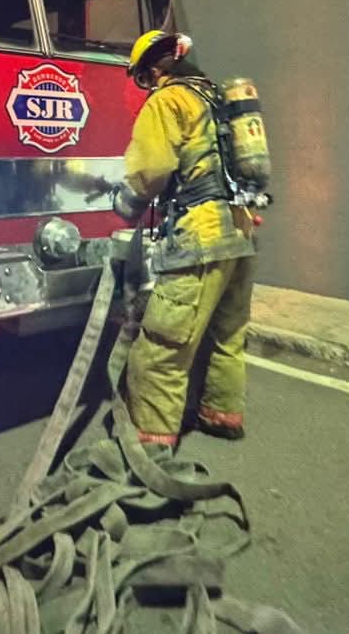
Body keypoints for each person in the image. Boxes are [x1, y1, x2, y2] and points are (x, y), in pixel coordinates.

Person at [111, 29, 256, 447]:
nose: (146, 85)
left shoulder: (168, 100)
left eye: (143, 77)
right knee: (226, 332)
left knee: (162, 343)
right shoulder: (217, 97)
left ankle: (150, 439)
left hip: (201, 234)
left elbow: (151, 169)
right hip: (241, 227)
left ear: (153, 71)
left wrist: (125, 203)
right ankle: (221, 412)